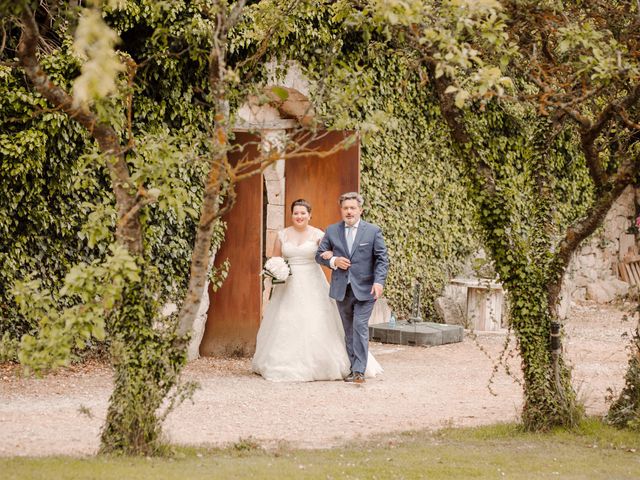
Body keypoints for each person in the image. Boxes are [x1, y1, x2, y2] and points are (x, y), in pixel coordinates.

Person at [252, 199, 383, 382]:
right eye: (296, 213)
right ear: (291, 215)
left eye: (303, 213)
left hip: (313, 283)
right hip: (288, 286)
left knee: (318, 320)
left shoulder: (319, 234)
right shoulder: (282, 235)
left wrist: (332, 256)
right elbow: (276, 259)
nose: (299, 216)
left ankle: (348, 365)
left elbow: (330, 251)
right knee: (285, 321)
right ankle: (282, 363)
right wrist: (275, 270)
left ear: (309, 215)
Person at [315, 192, 389, 384]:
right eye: (345, 208)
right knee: (348, 330)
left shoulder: (372, 231)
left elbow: (382, 259)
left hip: (367, 289)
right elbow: (319, 255)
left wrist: (379, 281)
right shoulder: (332, 231)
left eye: (352, 208)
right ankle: (352, 366)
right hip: (342, 289)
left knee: (359, 326)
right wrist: (334, 260)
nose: (349, 211)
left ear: (360, 210)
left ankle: (358, 371)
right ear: (341, 210)